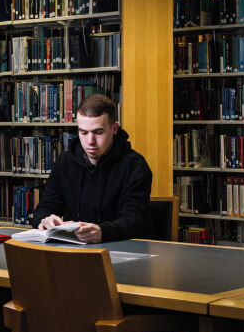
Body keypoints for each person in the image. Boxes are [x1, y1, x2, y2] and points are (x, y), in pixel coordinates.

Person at [31, 94, 153, 243]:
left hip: (124, 249)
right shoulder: (65, 162)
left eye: (98, 132)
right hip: (75, 250)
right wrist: (45, 221)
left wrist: (102, 232)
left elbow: (135, 221)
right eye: (83, 132)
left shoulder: (135, 166)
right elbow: (43, 209)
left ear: (114, 129)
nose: (90, 141)